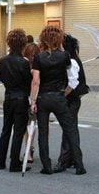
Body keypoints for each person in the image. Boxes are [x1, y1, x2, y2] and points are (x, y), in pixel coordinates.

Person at [29, 25, 86, 175]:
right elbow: (73, 78)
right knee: (70, 129)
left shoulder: (39, 57)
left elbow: (36, 81)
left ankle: (46, 166)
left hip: (43, 97)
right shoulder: (65, 56)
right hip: (59, 97)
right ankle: (79, 165)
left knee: (43, 132)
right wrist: (64, 92)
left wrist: (33, 101)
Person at [0, 28, 31, 172]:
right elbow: (28, 82)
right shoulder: (23, 62)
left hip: (8, 97)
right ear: (23, 43)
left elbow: (3, 78)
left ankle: (0, 161)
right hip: (21, 98)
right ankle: (15, 162)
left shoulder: (3, 61)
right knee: (18, 131)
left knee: (6, 129)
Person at [55, 33, 90, 172]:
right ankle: (74, 159)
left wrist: (63, 95)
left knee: (68, 129)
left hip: (71, 99)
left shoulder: (71, 61)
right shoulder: (73, 58)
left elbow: (73, 83)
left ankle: (64, 160)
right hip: (74, 99)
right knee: (71, 129)